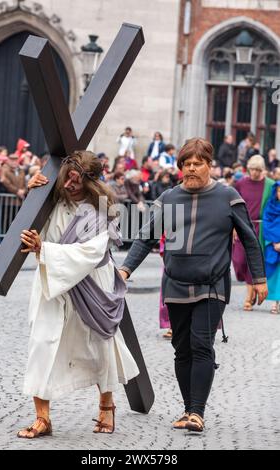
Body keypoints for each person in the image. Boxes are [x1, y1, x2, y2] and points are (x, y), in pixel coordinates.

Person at [119, 137, 267, 433]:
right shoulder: (169, 199)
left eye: (197, 164)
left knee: (201, 344)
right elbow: (146, 237)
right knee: (181, 349)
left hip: (212, 287)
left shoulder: (228, 197)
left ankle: (197, 412)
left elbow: (250, 239)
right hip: (175, 284)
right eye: (186, 164)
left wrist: (259, 279)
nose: (191, 169)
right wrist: (124, 269)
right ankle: (189, 409)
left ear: (209, 165)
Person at [16, 150, 139, 439]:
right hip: (51, 281)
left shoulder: (98, 212)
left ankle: (106, 405)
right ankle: (42, 418)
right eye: (67, 178)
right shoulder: (52, 202)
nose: (70, 184)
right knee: (42, 344)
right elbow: (31, 230)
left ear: (91, 182)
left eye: (77, 180)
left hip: (91, 283)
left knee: (98, 345)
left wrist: (43, 249)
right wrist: (31, 195)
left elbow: (91, 253)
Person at [232, 155, 274, 311]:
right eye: (252, 169)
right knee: (239, 260)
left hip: (260, 227)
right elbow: (232, 206)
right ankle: (252, 289)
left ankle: (249, 297)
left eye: (258, 170)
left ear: (262, 170)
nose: (255, 173)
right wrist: (234, 227)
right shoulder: (241, 183)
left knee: (253, 262)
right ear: (248, 168)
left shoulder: (269, 185)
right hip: (242, 225)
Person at [263, 181, 280, 314]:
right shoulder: (270, 206)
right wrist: (274, 242)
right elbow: (267, 225)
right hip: (273, 246)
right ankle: (275, 303)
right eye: (279, 191)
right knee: (275, 276)